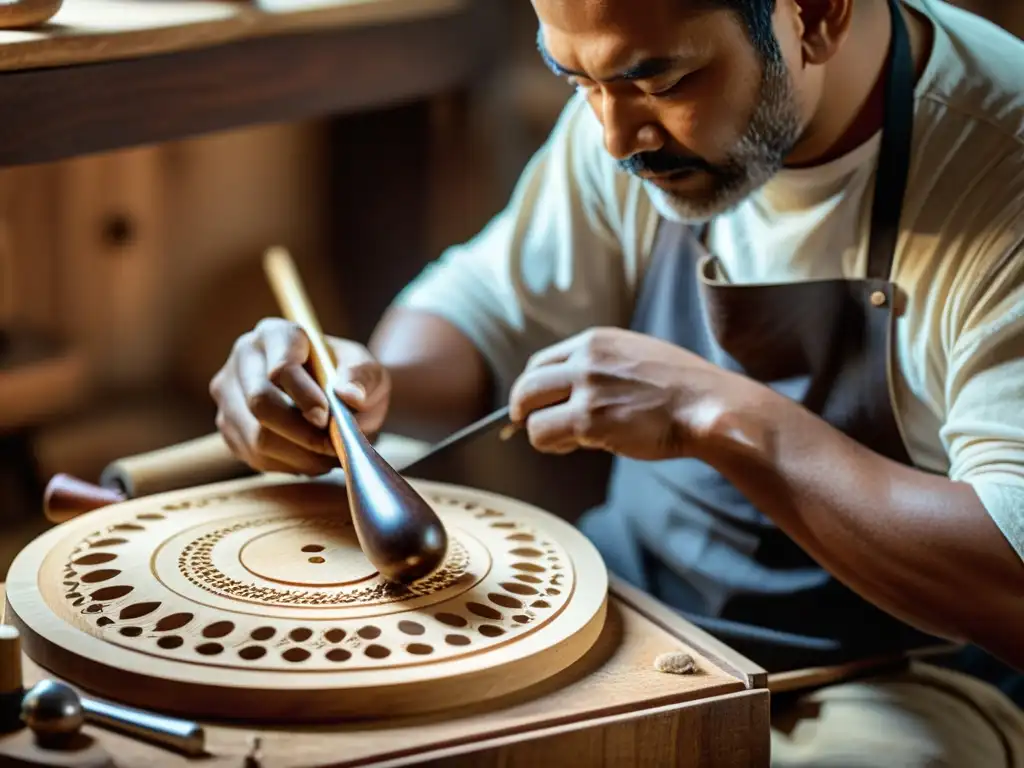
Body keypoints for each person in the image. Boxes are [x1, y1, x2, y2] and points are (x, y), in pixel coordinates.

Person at [210, 0, 1024, 763]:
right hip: (638, 613)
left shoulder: (1002, 167)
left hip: (902, 673)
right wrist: (353, 385)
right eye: (577, 81)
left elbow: (1009, 581)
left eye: (661, 82)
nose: (613, 138)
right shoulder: (628, 98)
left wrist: (715, 412)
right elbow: (486, 310)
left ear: (814, 14)